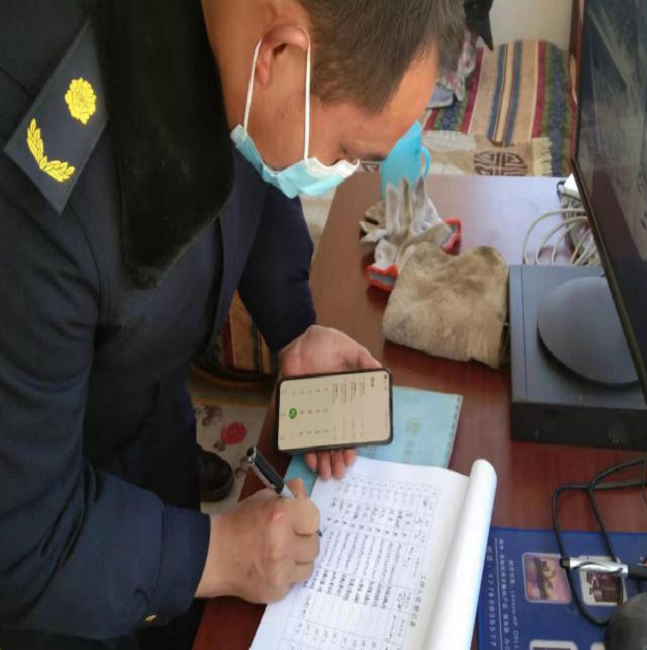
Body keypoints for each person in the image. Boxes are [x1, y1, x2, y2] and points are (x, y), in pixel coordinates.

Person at [0, 0, 465, 648]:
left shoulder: (240, 47)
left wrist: (294, 326)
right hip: (50, 532)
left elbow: (256, 167)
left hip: (148, 421)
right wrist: (220, 556)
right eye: (348, 153)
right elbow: (24, 538)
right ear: (279, 54)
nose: (341, 171)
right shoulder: (42, 186)